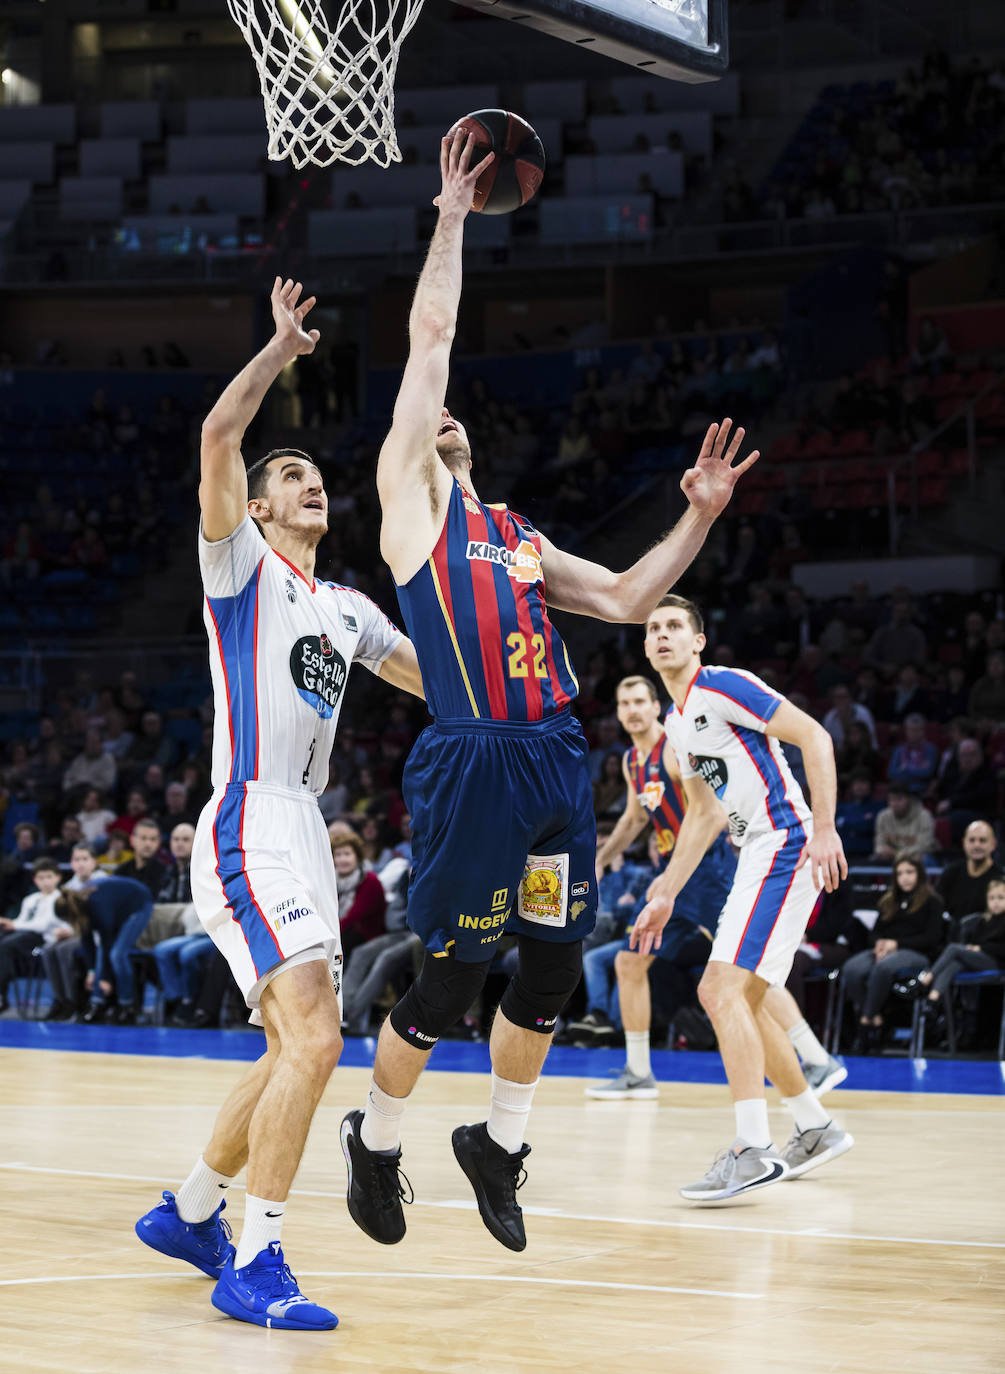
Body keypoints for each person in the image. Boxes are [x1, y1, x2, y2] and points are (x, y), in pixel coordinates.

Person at [341, 133, 758, 1255]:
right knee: (450, 979)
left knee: (552, 968)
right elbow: (432, 333)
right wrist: (451, 217)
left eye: (452, 417)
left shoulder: (515, 536)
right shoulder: (412, 507)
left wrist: (701, 517)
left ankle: (497, 1142)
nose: (443, 415)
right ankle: (375, 1142)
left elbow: (626, 597)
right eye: (429, 415)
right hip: (474, 756)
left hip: (553, 762)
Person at [134, 276, 422, 1333]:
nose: (314, 488)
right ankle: (254, 1261)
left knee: (290, 1048)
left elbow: (442, 680)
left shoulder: (344, 607)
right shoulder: (239, 566)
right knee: (316, 1042)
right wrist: (278, 353)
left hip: (306, 830)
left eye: (317, 478)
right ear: (256, 508)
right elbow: (219, 431)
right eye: (292, 477)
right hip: (248, 819)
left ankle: (193, 1210)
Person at [632, 595, 855, 1200]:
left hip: (786, 843)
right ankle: (814, 1127)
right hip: (754, 852)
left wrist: (826, 828)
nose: (662, 636)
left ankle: (752, 1147)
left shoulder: (723, 684)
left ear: (698, 641)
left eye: (675, 626)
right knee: (748, 1000)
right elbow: (703, 814)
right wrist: (667, 891)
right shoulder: (677, 724)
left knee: (718, 989)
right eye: (653, 628)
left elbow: (815, 738)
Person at [584, 672, 735, 1099]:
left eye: (638, 702)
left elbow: (710, 811)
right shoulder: (634, 762)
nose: (631, 710)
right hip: (670, 872)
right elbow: (634, 819)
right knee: (629, 962)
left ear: (656, 707)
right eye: (623, 703)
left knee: (742, 967)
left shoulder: (675, 748)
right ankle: (638, 1071)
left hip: (705, 868)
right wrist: (601, 858)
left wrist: (674, 875)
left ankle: (810, 1055)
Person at [840, 857, 946, 1053]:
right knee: (852, 968)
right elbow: (875, 932)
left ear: (920, 875)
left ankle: (865, 1024)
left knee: (883, 967)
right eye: (900, 873)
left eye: (910, 872)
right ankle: (877, 1018)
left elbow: (931, 938)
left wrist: (896, 944)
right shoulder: (888, 901)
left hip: (917, 953)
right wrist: (879, 944)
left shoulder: (933, 901)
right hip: (885, 951)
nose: (904, 878)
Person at [894, 876, 1005, 1040]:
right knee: (954, 963)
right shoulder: (983, 921)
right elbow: (974, 942)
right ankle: (932, 1002)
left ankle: (925, 981)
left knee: (953, 949)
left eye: (1001, 898)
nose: (996, 902)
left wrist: (980, 948)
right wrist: (973, 948)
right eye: (992, 898)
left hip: (996, 963)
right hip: (977, 960)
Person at [0, 859, 72, 1014]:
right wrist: (9, 923)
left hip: (43, 937)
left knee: (5, 945)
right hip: (24, 934)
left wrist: (15, 925)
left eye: (49, 877)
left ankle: (1, 994)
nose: (45, 882)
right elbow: (22, 921)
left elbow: (43, 925)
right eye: (41, 878)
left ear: (58, 878)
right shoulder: (30, 899)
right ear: (35, 880)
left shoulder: (59, 898)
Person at [936, 819, 1003, 925]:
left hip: (989, 938)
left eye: (983, 840)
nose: (977, 845)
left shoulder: (1001, 878)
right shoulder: (950, 872)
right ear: (964, 843)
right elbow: (936, 907)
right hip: (951, 936)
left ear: (993, 844)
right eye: (972, 840)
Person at [871, 783, 936, 862]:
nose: (895, 804)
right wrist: (881, 851)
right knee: (874, 859)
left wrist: (898, 853)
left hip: (916, 857)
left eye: (899, 799)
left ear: (909, 799)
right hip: (890, 857)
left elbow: (925, 846)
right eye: (892, 799)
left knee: (925, 859)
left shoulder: (924, 816)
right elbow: (879, 843)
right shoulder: (883, 816)